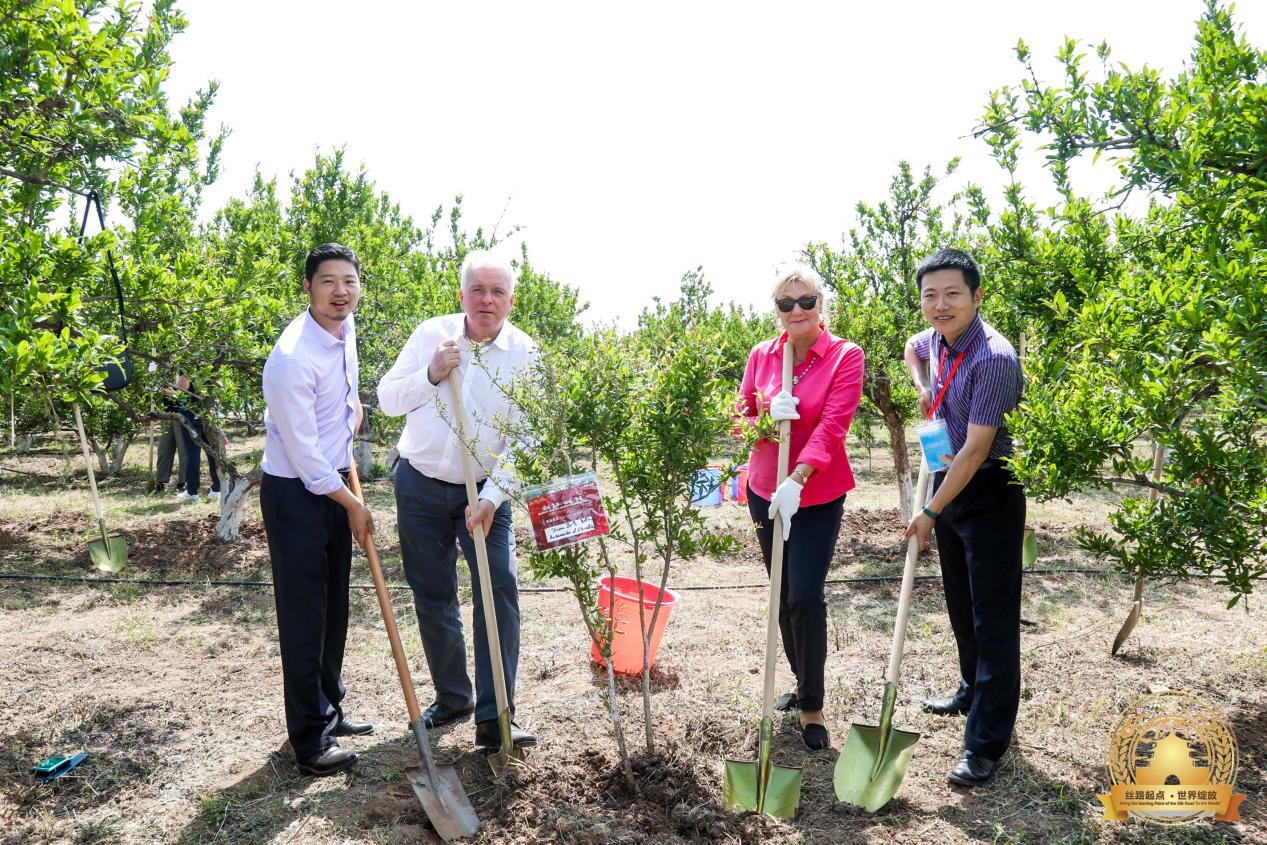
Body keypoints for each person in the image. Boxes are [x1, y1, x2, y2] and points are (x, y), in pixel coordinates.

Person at [378, 249, 538, 752]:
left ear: (511, 300)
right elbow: (386, 400)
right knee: (433, 594)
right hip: (420, 482)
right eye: (477, 289)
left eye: (496, 291)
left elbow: (528, 439)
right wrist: (429, 372)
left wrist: (492, 499)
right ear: (462, 294)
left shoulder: (526, 355)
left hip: (487, 491)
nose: (486, 300)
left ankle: (495, 716)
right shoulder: (432, 335)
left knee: (499, 593)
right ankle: (453, 698)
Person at [902, 247, 1025, 787]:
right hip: (948, 485)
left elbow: (976, 451)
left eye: (953, 293)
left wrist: (929, 510)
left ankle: (986, 743)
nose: (940, 304)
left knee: (992, 620)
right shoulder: (934, 339)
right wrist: (923, 384)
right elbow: (912, 347)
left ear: (976, 296)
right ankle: (971, 689)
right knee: (960, 603)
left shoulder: (994, 358)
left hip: (987, 492)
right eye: (930, 295)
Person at [736, 264, 864, 750]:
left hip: (816, 493)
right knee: (782, 596)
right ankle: (798, 678)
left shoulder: (844, 357)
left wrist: (798, 477)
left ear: (821, 305)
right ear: (776, 310)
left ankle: (812, 706)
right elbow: (740, 418)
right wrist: (765, 416)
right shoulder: (763, 356)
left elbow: (834, 426)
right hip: (765, 491)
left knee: (806, 596)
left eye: (806, 301)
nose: (796, 311)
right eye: (785, 304)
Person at [260, 243, 375, 777]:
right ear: (308, 287)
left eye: (348, 280)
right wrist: (353, 504)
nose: (340, 291)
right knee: (305, 617)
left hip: (334, 483)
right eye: (328, 281)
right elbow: (305, 457)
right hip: (297, 495)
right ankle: (308, 740)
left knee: (334, 611)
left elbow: (343, 407)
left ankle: (329, 711)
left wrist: (351, 416)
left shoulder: (345, 331)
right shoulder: (292, 357)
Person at [170, 374, 222, 503]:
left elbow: (182, 389)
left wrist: (169, 390)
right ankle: (217, 489)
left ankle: (192, 492)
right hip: (208, 411)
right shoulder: (209, 360)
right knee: (212, 452)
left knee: (193, 453)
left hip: (192, 413)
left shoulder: (186, 363)